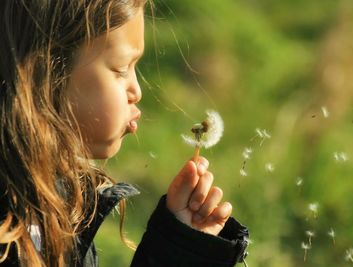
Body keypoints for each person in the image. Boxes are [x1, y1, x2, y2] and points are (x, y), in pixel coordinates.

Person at [0, 0, 249, 266]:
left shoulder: (60, 203)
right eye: (121, 69)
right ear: (44, 71)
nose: (137, 91)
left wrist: (181, 248)